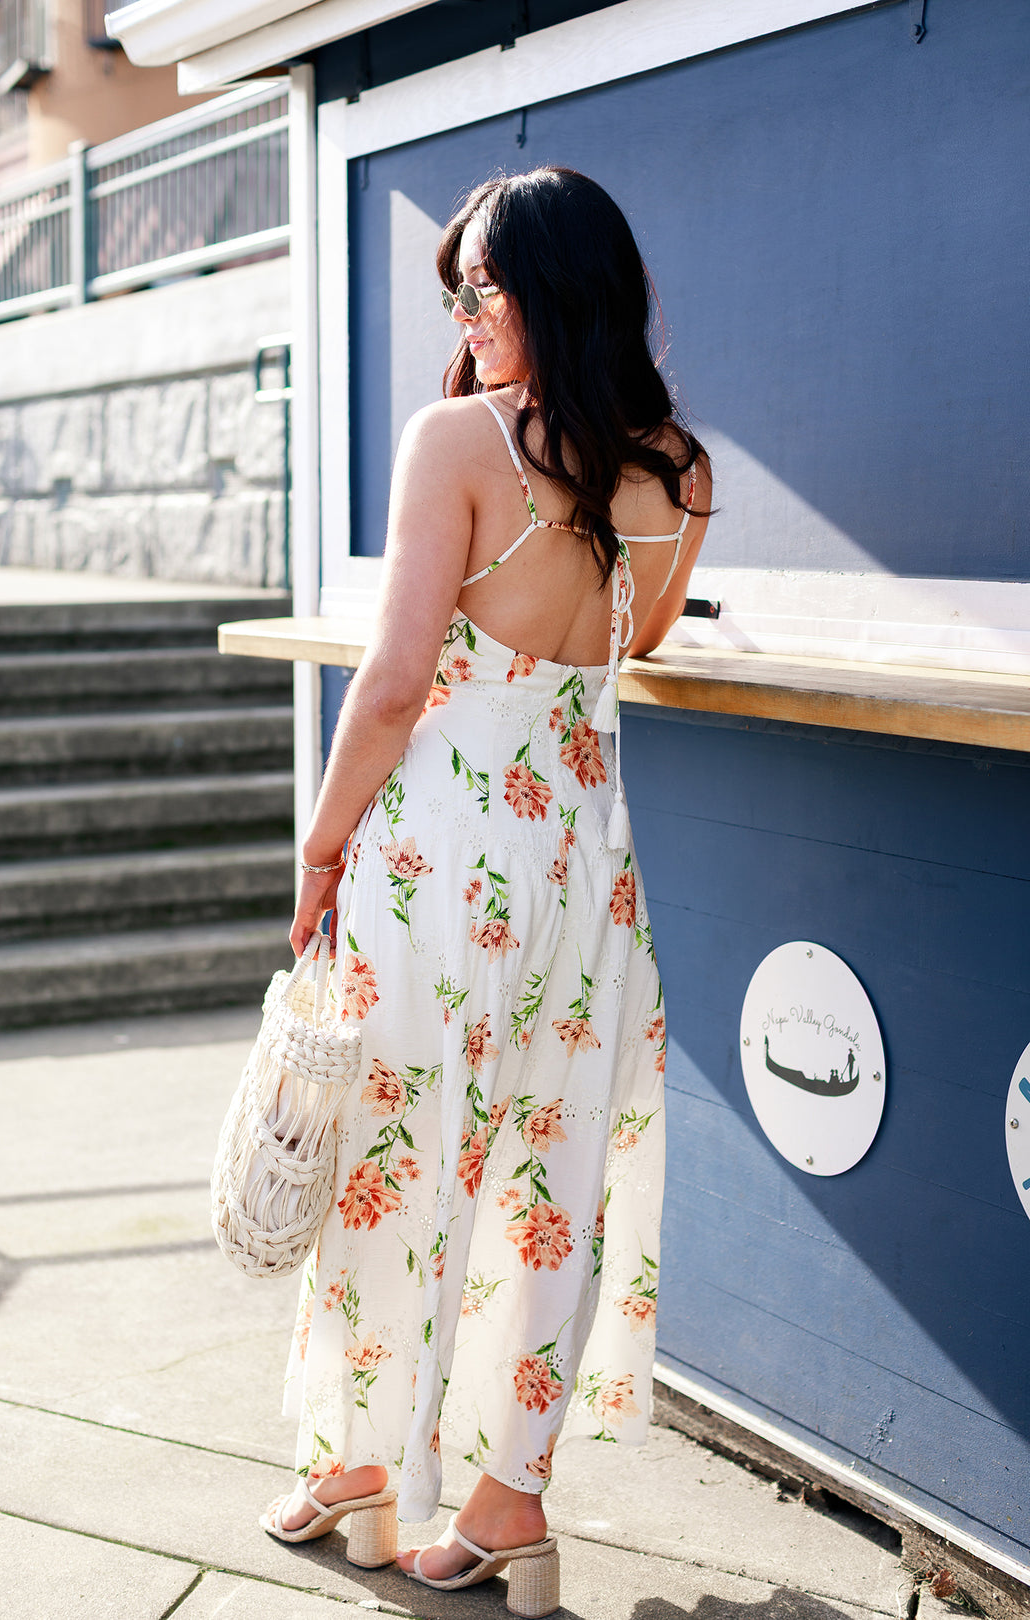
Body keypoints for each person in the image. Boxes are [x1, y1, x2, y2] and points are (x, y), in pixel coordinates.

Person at [260, 166, 711, 1615]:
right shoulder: (682, 471)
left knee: (394, 1160)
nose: (462, 314)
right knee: (551, 1171)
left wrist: (322, 851)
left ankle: (362, 1470)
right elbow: (615, 654)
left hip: (439, 863)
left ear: (542, 291)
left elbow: (394, 685)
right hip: (581, 860)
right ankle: (510, 1505)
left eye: (480, 289)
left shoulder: (455, 440)